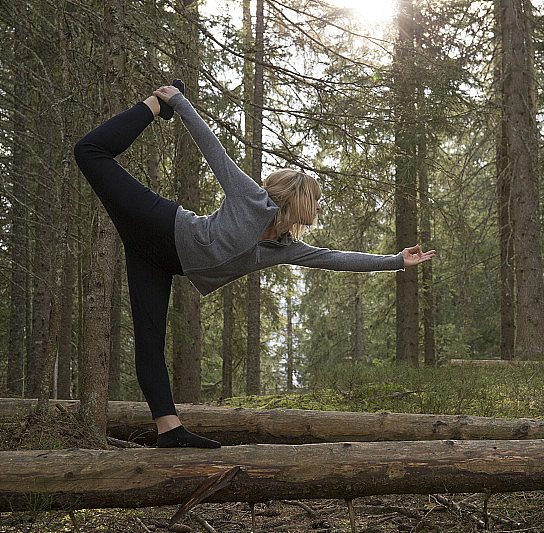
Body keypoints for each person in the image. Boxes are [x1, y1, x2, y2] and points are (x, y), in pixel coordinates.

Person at [73, 81, 436, 448]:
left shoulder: (283, 247)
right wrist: (176, 102)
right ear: (299, 198)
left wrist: (395, 261)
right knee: (88, 152)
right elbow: (214, 150)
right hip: (160, 225)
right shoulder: (251, 198)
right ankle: (153, 105)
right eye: (317, 200)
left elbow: (333, 258)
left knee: (149, 342)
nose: (320, 207)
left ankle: (169, 431)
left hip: (160, 260)